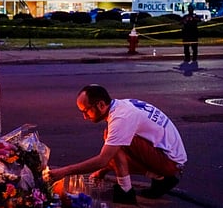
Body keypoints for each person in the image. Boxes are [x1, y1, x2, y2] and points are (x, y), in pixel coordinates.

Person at [48, 84, 187, 205]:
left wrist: (64, 172)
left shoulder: (121, 118)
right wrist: (103, 171)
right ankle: (159, 178)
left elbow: (103, 160)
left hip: (171, 162)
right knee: (112, 141)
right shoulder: (120, 107)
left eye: (86, 111)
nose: (85, 117)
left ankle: (126, 192)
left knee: (112, 142)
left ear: (101, 105)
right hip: (166, 154)